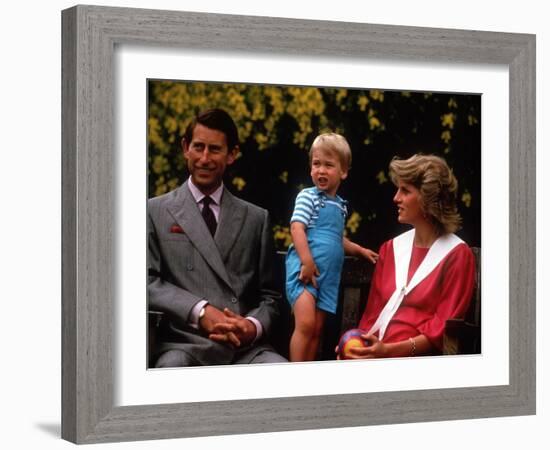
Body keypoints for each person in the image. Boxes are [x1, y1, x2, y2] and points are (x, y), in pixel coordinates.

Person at [148, 108, 287, 367]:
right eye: (198, 147)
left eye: (214, 149)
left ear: (232, 154)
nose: (204, 158)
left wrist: (252, 326)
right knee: (170, 373)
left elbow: (271, 298)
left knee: (282, 375)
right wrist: (199, 311)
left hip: (245, 351)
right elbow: (145, 282)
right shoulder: (154, 211)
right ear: (185, 148)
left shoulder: (257, 218)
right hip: (184, 346)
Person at [336, 154, 475, 359]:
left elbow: (443, 330)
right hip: (377, 357)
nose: (396, 198)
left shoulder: (456, 255)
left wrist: (388, 351)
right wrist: (355, 349)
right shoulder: (390, 249)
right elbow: (370, 319)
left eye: (406, 191)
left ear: (428, 199)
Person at [285, 133, 378, 362]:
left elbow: (337, 239)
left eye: (329, 165)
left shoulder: (340, 206)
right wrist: (306, 262)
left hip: (329, 277)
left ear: (343, 171)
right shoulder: (308, 196)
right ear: (310, 169)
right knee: (305, 325)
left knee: (317, 330)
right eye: (316, 164)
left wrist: (359, 250)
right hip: (305, 271)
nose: (321, 170)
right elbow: (297, 229)